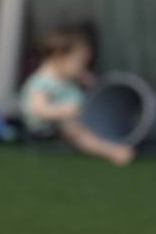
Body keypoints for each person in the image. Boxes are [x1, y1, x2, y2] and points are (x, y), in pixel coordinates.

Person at [20, 26, 133, 165]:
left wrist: (88, 82)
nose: (82, 68)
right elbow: (38, 109)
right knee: (71, 127)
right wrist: (65, 110)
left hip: (77, 122)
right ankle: (110, 150)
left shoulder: (67, 78)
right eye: (79, 63)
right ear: (59, 57)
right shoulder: (44, 83)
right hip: (48, 131)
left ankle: (111, 139)